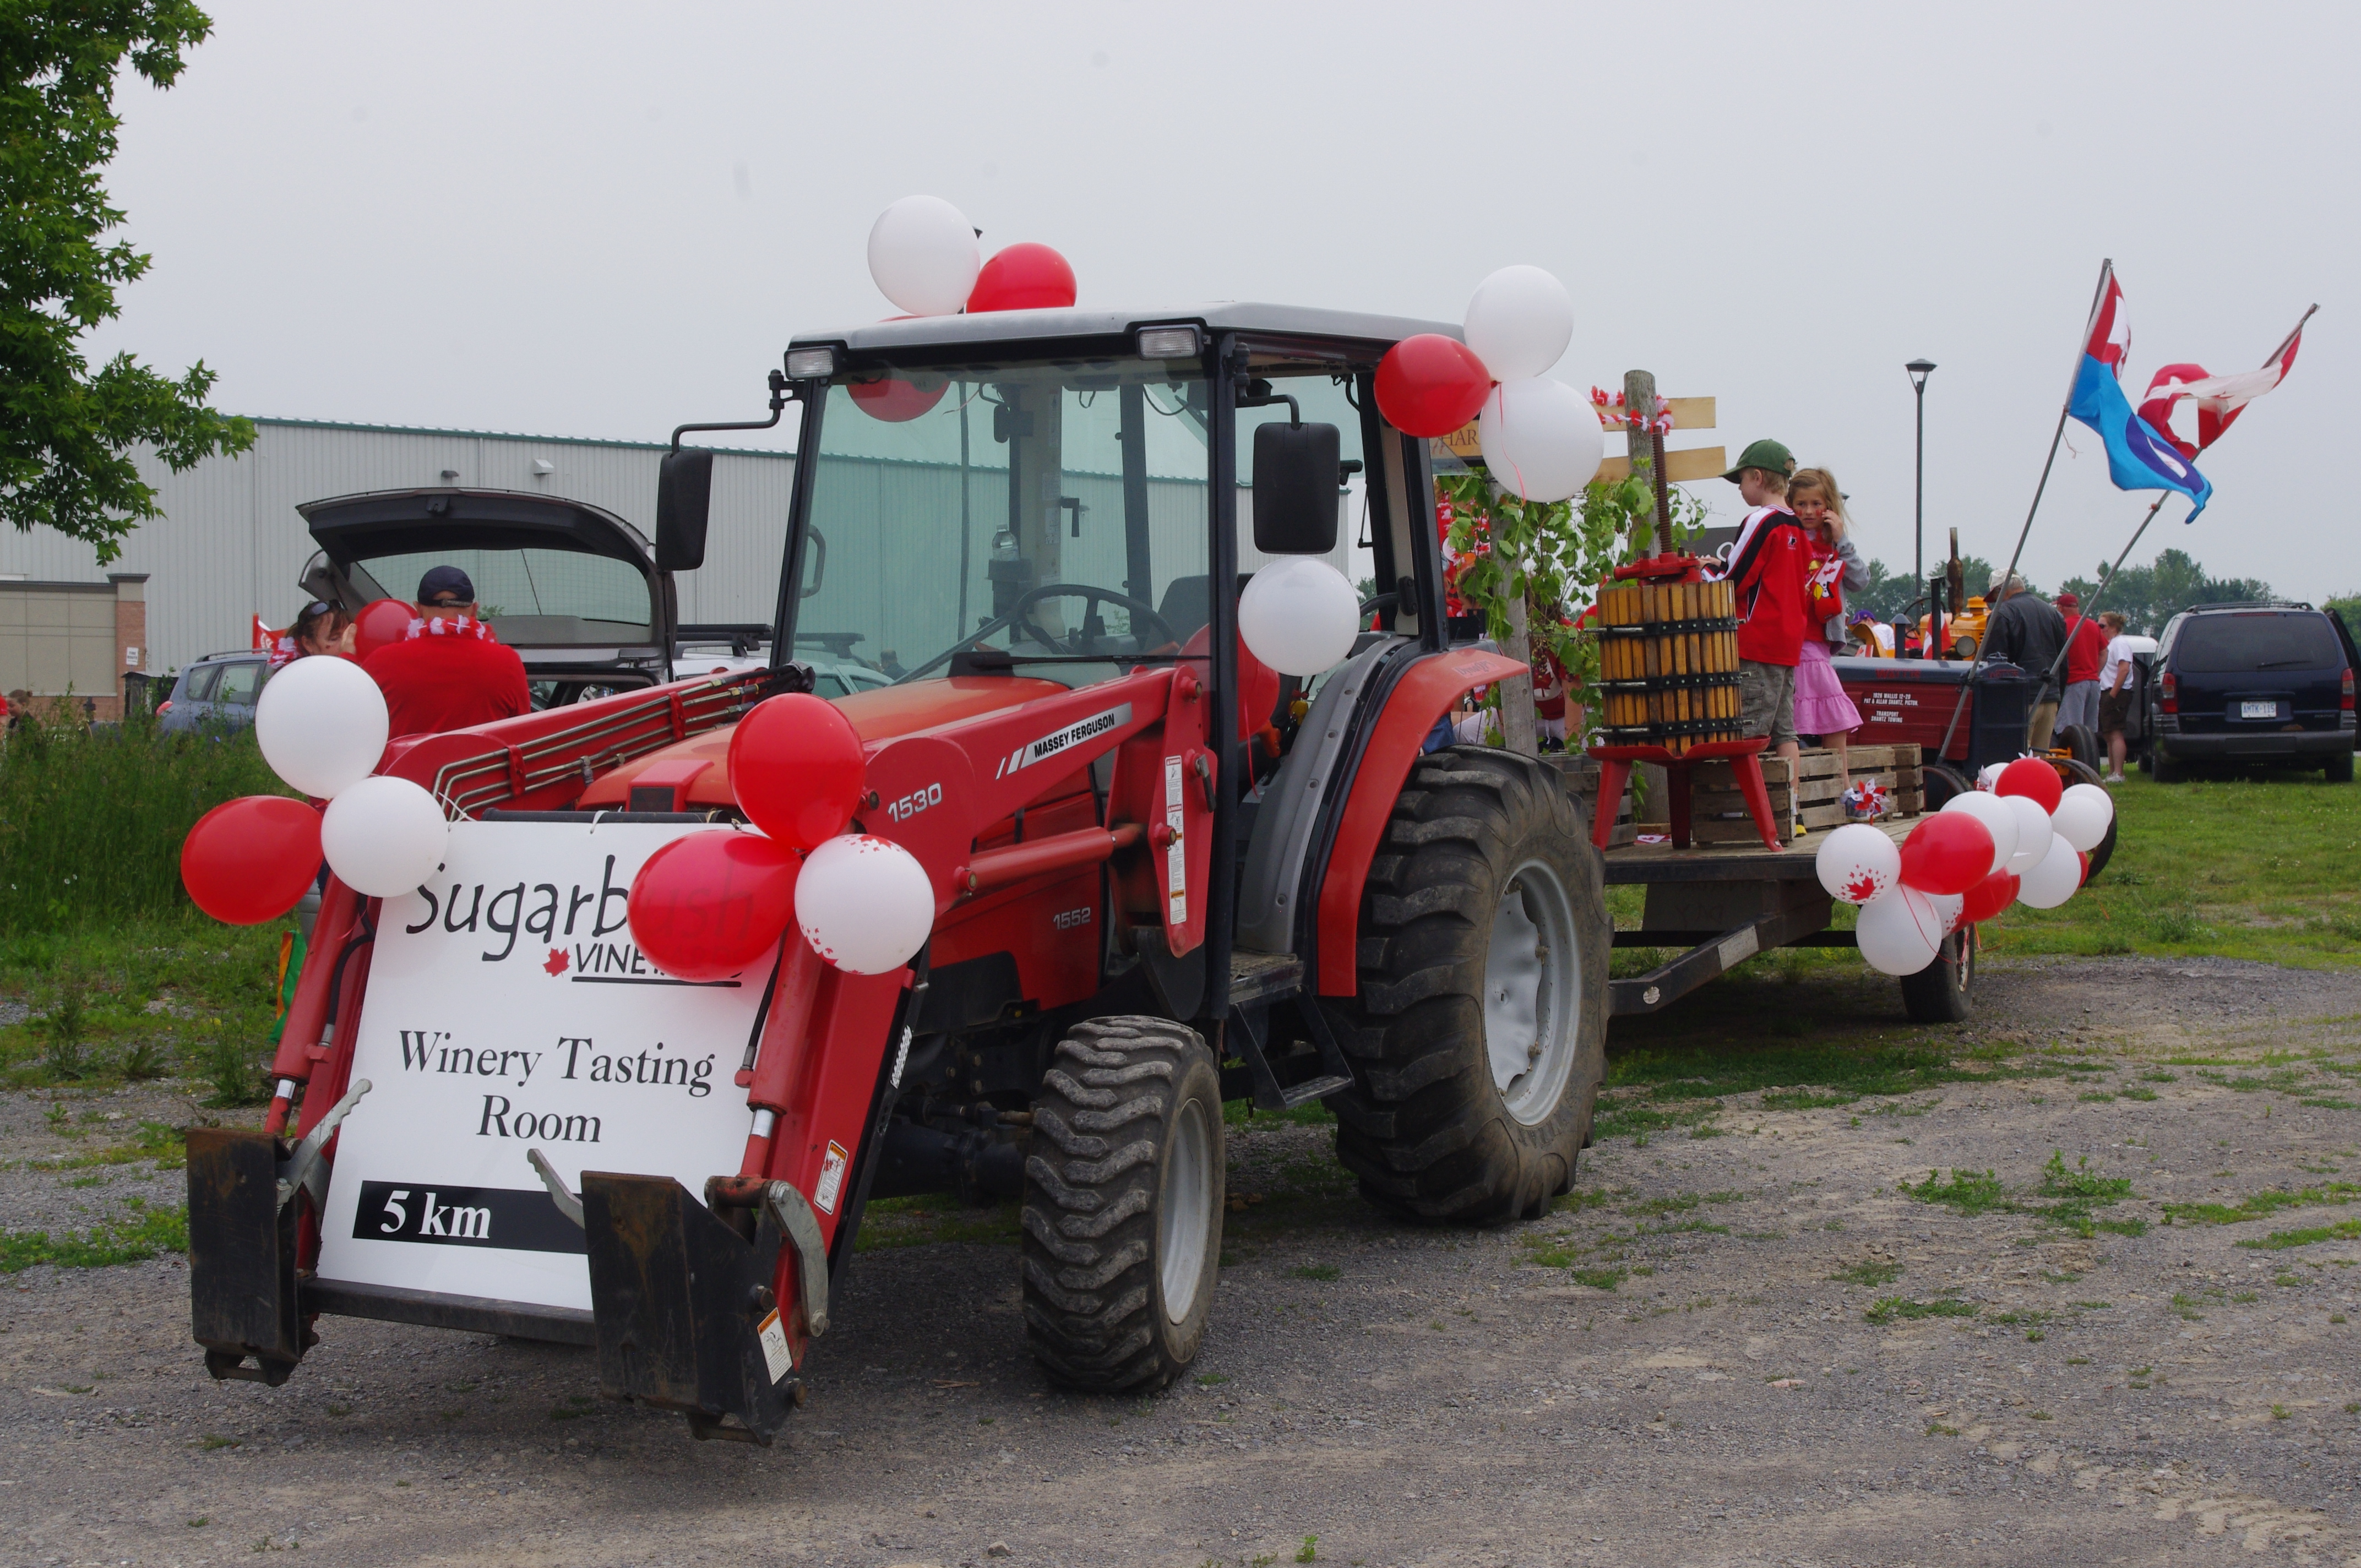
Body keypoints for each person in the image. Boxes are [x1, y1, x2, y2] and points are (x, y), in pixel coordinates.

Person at [1709, 439, 1810, 791]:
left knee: (1747, 729)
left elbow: (1733, 580)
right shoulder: (1797, 526)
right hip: (1788, 641)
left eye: (1741, 481)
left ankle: (1745, 810)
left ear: (1758, 477)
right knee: (1785, 730)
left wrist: (1708, 573)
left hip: (1756, 641)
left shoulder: (1760, 521)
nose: (1739, 488)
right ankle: (1791, 808)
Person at [360, 565, 531, 739]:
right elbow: (525, 736)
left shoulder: (381, 662)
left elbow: (354, 728)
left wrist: (347, 660)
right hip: (479, 767)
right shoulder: (506, 662)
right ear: (474, 609)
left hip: (407, 767)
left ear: (417, 609)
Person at [1787, 468, 1867, 792]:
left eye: (1816, 504)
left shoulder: (1833, 543)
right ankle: (1837, 787)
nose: (1808, 512)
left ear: (1829, 507)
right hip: (1795, 637)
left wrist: (1841, 540)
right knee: (1821, 710)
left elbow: (1860, 580)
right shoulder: (1788, 536)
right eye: (1801, 504)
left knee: (1830, 711)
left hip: (1821, 639)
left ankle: (1840, 785)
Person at [1979, 571, 2068, 750]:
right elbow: (2063, 661)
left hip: (2018, 699)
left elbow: (1995, 663)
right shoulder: (2054, 614)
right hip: (2049, 696)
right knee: (2039, 758)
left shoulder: (2002, 614)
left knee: (2014, 755)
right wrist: (2058, 693)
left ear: (2001, 592)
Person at [2057, 591, 2108, 735]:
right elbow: (2104, 652)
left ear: (2061, 608)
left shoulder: (2062, 626)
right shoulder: (2092, 625)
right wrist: (2095, 672)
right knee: (2089, 732)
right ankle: (2088, 757)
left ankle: (2075, 757)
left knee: (2073, 731)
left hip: (2074, 683)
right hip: (2093, 683)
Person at [2097, 611, 2139, 783]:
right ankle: (2112, 772)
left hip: (2117, 692)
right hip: (2106, 691)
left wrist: (2113, 694)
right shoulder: (2108, 645)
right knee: (2108, 734)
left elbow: (2124, 669)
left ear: (2113, 627)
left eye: (2102, 626)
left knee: (2115, 732)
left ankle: (2119, 773)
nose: (2100, 629)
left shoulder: (2119, 643)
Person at [265, 600, 355, 670]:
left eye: (349, 636)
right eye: (334, 639)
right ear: (308, 644)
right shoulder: (298, 677)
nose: (347, 644)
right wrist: (348, 660)